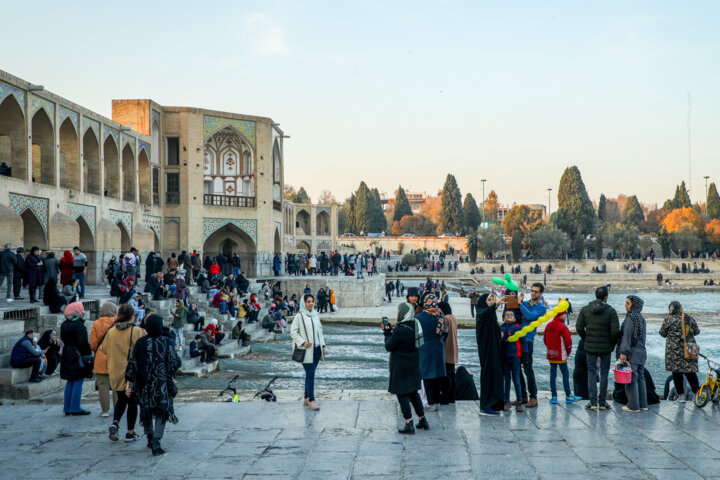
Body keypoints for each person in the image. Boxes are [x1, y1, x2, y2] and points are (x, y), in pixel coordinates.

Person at [125, 314, 182, 456]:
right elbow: (175, 362)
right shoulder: (167, 342)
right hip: (162, 383)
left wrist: (129, 382)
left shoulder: (140, 342)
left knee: (146, 410)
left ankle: (150, 437)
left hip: (144, 384)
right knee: (162, 411)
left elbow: (132, 364)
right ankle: (157, 439)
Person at [100, 304, 146, 441]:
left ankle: (115, 423)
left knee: (121, 399)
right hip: (130, 371)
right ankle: (130, 432)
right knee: (132, 400)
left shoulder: (111, 331)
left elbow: (104, 349)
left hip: (115, 370)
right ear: (132, 316)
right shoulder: (136, 331)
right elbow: (141, 349)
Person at [383, 301, 428, 434]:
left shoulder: (400, 330)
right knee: (413, 393)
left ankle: (409, 423)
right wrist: (392, 331)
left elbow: (389, 346)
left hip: (400, 367)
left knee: (402, 393)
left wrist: (387, 334)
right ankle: (422, 419)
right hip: (413, 365)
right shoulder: (415, 325)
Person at [576, 286, 620, 411]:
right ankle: (602, 402)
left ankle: (593, 402)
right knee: (604, 374)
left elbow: (579, 327)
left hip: (590, 347)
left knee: (591, 373)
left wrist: (586, 339)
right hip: (606, 348)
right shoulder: (611, 311)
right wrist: (611, 344)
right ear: (606, 297)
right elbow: (615, 332)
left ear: (595, 296)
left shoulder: (585, 310)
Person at [290, 294, 326, 411]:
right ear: (303, 303)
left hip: (316, 349)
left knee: (310, 374)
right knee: (311, 374)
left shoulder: (315, 315)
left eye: (312, 301)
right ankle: (311, 400)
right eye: (308, 302)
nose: (310, 304)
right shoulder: (299, 316)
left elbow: (320, 331)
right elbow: (293, 332)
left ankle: (306, 398)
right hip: (306, 350)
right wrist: (303, 342)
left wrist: (323, 346)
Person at [659, 301, 700, 402]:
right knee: (691, 373)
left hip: (674, 352)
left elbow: (662, 333)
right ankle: (697, 395)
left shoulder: (668, 319)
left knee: (677, 374)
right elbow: (697, 331)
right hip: (689, 349)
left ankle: (681, 396)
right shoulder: (688, 318)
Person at [416, 293, 447, 412]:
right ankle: (437, 401)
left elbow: (416, 334)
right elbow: (445, 333)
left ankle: (430, 402)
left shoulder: (419, 317)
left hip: (424, 349)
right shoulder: (441, 316)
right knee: (437, 375)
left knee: (427, 376)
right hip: (438, 348)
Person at [60, 302, 92, 415]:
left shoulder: (64, 324)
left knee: (70, 380)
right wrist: (88, 355)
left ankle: (67, 407)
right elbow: (82, 343)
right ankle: (75, 407)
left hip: (67, 353)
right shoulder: (78, 325)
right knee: (78, 379)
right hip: (77, 355)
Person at [517, 283, 545, 408]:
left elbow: (530, 316)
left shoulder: (541, 308)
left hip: (528, 340)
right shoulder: (526, 303)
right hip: (517, 338)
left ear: (541, 294)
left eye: (536, 292)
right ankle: (522, 396)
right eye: (532, 291)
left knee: (528, 368)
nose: (533, 293)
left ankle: (533, 397)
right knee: (517, 368)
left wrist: (519, 304)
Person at [475, 293, 504, 416]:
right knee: (488, 376)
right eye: (489, 299)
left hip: (494, 350)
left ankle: (494, 404)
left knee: (495, 375)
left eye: (492, 299)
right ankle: (485, 406)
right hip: (487, 351)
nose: (491, 301)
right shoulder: (481, 313)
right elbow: (485, 314)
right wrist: (497, 303)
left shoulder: (490, 314)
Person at [543, 311, 580, 405]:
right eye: (564, 314)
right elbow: (568, 342)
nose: (565, 315)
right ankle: (568, 396)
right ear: (560, 315)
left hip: (551, 354)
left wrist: (549, 349)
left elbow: (545, 339)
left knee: (553, 375)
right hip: (561, 355)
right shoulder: (562, 327)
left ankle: (554, 396)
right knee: (565, 374)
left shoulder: (548, 325)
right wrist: (568, 353)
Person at [618, 295, 648, 413]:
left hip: (633, 353)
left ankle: (633, 405)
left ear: (633, 305)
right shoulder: (641, 318)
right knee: (641, 379)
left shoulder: (630, 318)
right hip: (642, 352)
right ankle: (643, 404)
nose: (626, 305)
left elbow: (627, 336)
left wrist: (623, 352)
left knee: (631, 380)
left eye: (628, 303)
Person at [90, 301, 118, 417]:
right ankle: (118, 409)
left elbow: (93, 343)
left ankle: (105, 410)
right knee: (117, 385)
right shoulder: (119, 322)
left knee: (102, 385)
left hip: (101, 356)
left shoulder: (96, 323)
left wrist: (98, 350)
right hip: (116, 357)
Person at [500, 310, 523, 412]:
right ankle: (507, 401)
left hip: (515, 357)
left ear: (514, 318)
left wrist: (525, 354)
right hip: (504, 357)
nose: (509, 316)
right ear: (503, 318)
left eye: (511, 315)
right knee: (507, 380)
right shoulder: (501, 328)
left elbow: (523, 342)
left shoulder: (517, 328)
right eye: (507, 315)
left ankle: (519, 402)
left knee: (516, 379)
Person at [439, 301, 457, 405]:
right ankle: (452, 398)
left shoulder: (445, 319)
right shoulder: (453, 317)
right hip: (453, 349)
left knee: (446, 376)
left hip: (446, 349)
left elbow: (442, 334)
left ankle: (445, 398)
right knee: (452, 375)